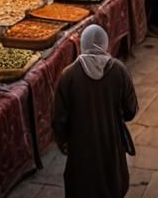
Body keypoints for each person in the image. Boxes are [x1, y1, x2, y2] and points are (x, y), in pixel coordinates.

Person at [52, 24, 139, 198]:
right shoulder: (119, 71)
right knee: (112, 184)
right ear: (105, 43)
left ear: (82, 44)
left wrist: (65, 143)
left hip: (80, 149)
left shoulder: (68, 76)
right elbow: (131, 111)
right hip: (111, 145)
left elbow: (58, 120)